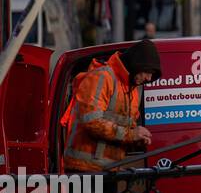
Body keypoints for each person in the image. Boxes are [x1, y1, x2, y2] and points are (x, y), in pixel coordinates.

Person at [61, 38, 161, 174]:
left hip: (109, 170)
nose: (149, 79)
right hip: (84, 169)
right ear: (137, 64)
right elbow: (91, 121)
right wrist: (131, 135)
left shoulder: (132, 89)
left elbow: (124, 129)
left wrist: (137, 139)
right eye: (148, 72)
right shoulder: (102, 77)